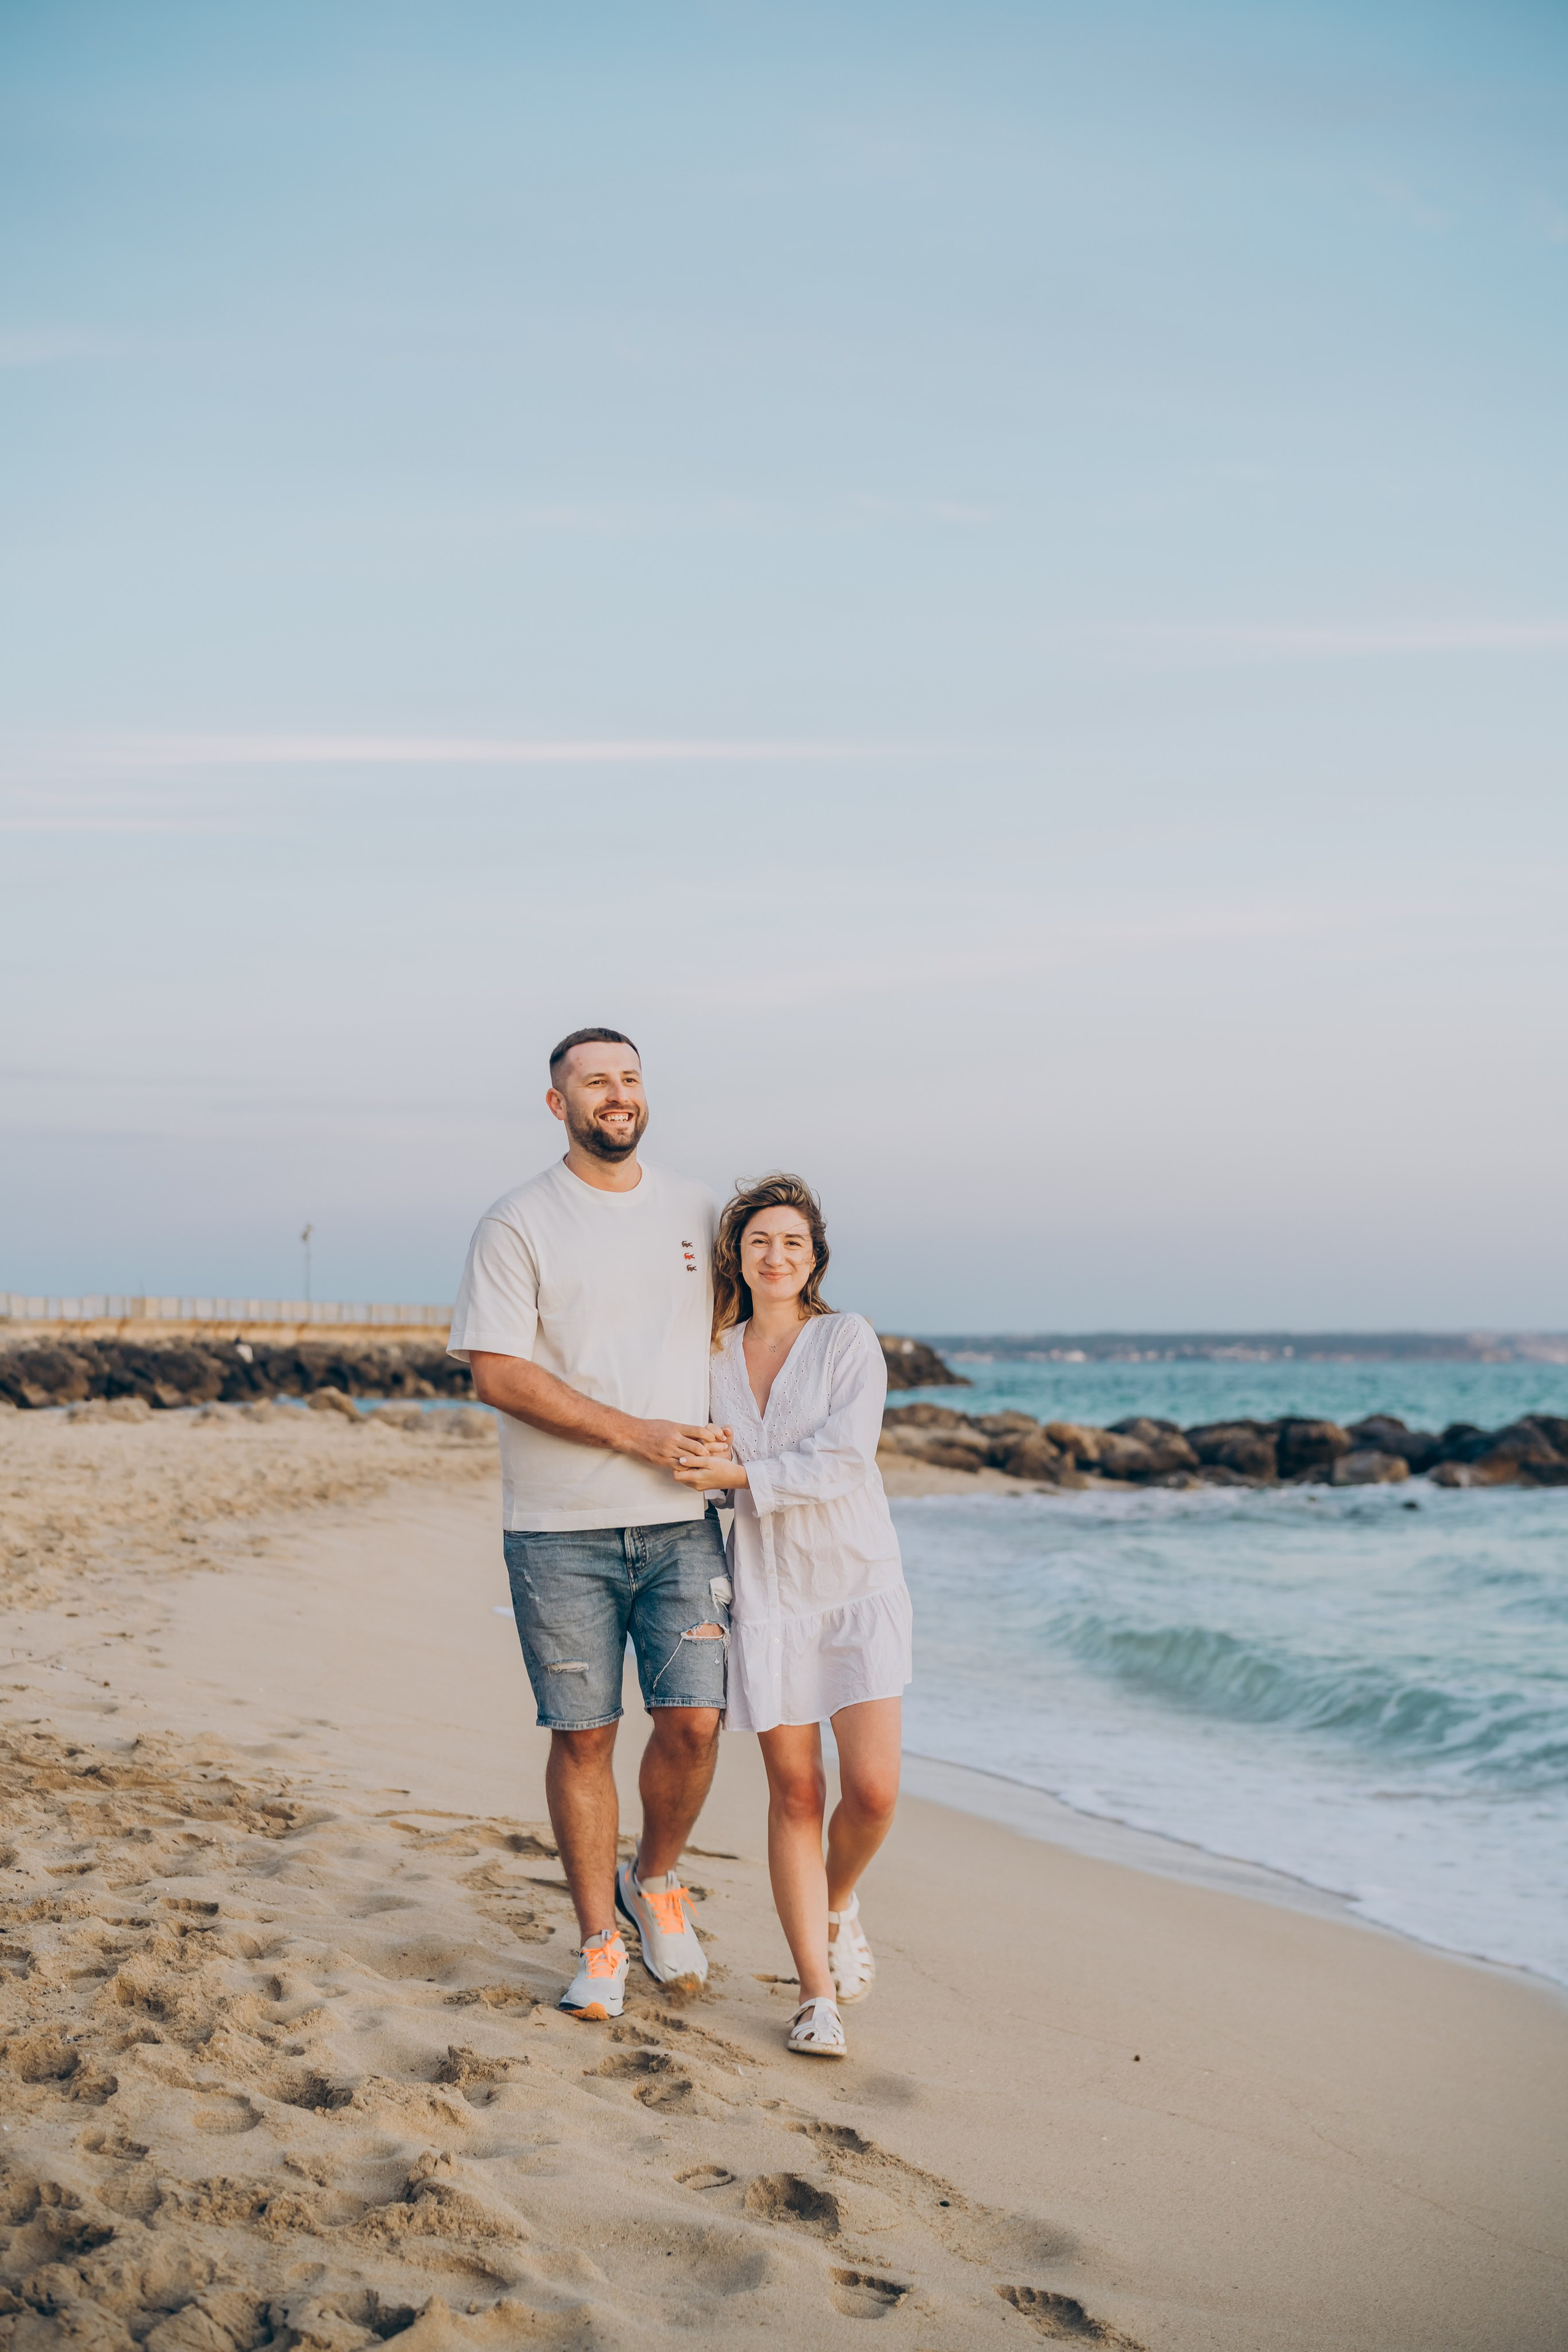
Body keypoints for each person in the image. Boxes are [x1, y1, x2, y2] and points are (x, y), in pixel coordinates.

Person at [448, 1027, 733, 2023]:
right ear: (557, 1103)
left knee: (695, 1726)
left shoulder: (700, 1208)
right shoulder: (517, 1221)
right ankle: (599, 1944)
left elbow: (740, 1339)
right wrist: (639, 1435)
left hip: (685, 1523)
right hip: (558, 1531)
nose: (616, 1094)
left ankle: (655, 1881)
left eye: (629, 1077)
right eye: (594, 1081)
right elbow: (497, 1373)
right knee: (583, 1739)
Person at [674, 1174, 911, 2059]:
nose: (776, 1256)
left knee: (874, 1793)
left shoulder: (846, 1340)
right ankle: (816, 1994)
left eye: (794, 1244)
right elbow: (688, 1450)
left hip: (857, 1584)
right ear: (738, 1255)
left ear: (814, 1260)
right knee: (796, 1793)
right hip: (770, 1593)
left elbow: (845, 1459)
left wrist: (739, 1477)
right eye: (760, 1241)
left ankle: (837, 1898)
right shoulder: (709, 1358)